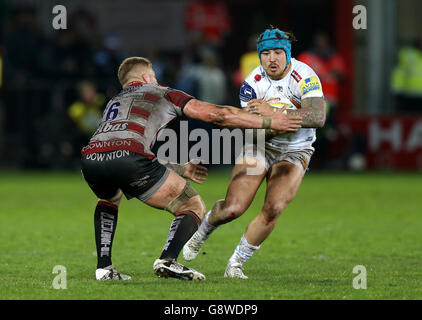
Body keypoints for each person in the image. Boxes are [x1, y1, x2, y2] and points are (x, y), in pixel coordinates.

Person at [80, 56, 303, 281]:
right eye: (154, 76)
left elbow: (123, 145)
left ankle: (104, 268)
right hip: (129, 158)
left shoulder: (114, 101)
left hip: (91, 159)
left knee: (110, 198)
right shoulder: (163, 93)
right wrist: (270, 122)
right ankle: (168, 260)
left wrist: (177, 168)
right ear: (147, 77)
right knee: (192, 204)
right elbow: (219, 115)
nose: (156, 80)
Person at [183, 27, 326, 279]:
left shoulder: (305, 75)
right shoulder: (252, 83)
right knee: (233, 209)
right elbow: (253, 129)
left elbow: (317, 115)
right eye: (266, 53)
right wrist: (273, 124)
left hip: (295, 151)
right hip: (259, 145)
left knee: (273, 208)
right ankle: (203, 230)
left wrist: (273, 115)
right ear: (259, 56)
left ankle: (236, 263)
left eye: (278, 53)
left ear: (288, 54)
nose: (272, 59)